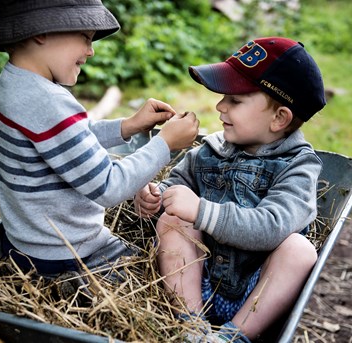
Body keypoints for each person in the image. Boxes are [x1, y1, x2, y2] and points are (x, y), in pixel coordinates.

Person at [0, 0, 199, 278]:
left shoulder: (11, 85)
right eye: (85, 37)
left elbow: (69, 142)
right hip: (69, 253)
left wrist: (129, 125)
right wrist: (165, 144)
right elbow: (108, 186)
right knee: (158, 271)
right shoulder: (48, 102)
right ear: (41, 32)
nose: (91, 51)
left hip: (27, 243)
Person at [134, 37, 326, 342]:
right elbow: (176, 190)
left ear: (279, 118)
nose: (220, 106)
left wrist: (201, 211)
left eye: (235, 100)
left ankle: (234, 337)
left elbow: (272, 227)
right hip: (201, 280)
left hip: (256, 290)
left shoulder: (298, 167)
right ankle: (191, 326)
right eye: (224, 97)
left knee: (299, 250)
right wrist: (155, 197)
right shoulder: (209, 152)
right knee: (173, 221)